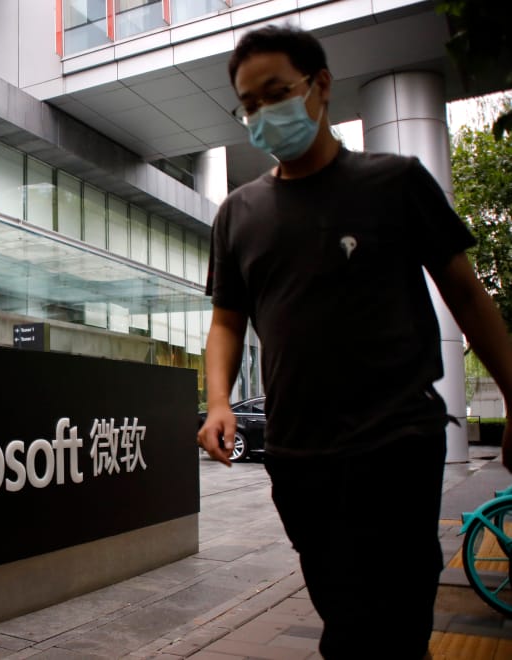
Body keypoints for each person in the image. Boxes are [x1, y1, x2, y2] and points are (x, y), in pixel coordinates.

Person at [196, 24, 512, 660]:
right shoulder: (238, 214)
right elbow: (227, 321)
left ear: (320, 85)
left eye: (276, 93)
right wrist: (220, 401)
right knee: (342, 606)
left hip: (395, 440)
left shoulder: (395, 182)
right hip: (298, 453)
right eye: (249, 104)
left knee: (390, 615)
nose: (263, 113)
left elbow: (466, 293)